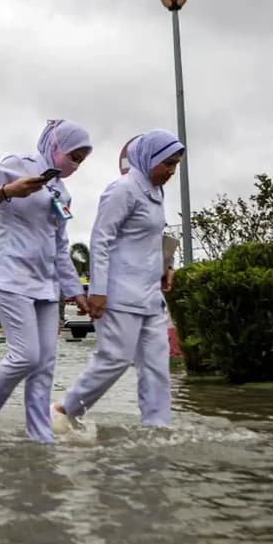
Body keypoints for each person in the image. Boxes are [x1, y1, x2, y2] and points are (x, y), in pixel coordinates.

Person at [0, 119, 91, 442]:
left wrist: (75, 291)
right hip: (9, 277)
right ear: (55, 147)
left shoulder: (63, 192)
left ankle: (40, 435)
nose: (75, 164)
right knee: (26, 354)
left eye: (81, 160)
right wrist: (7, 191)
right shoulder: (17, 165)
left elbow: (61, 247)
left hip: (46, 286)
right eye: (73, 155)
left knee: (45, 363)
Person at [54, 129, 183, 429]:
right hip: (119, 293)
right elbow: (101, 239)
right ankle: (66, 410)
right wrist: (98, 291)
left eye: (176, 164)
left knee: (156, 366)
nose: (171, 171)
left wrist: (168, 265)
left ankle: (157, 427)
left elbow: (150, 239)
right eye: (167, 163)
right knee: (115, 359)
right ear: (149, 158)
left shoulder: (156, 193)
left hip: (150, 296)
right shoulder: (122, 189)